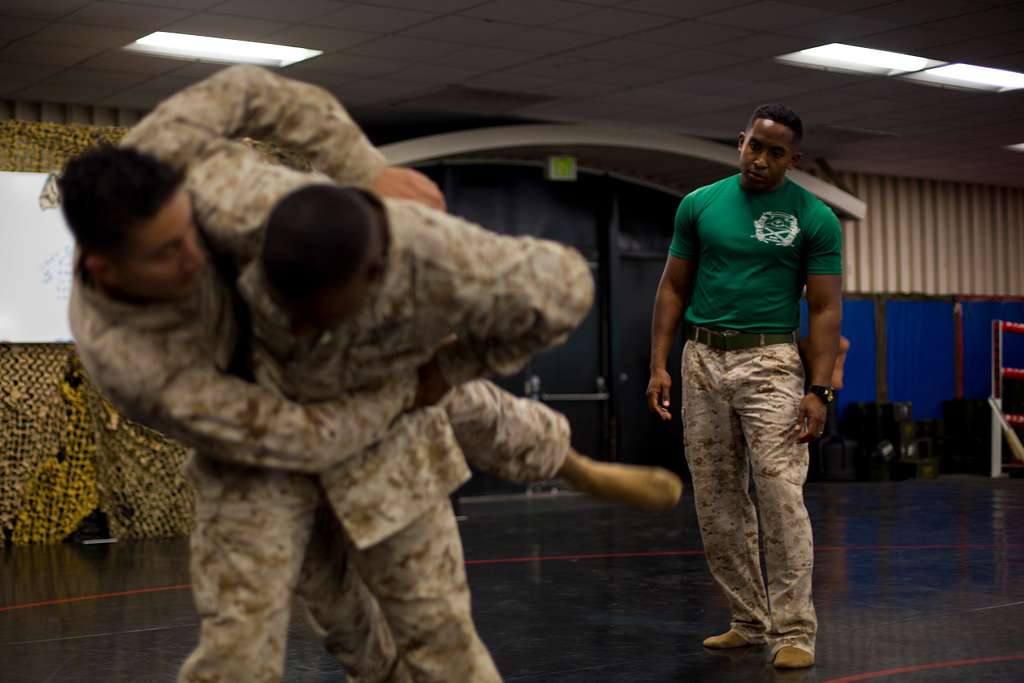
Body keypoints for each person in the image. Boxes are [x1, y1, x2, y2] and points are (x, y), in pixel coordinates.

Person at [62, 65, 681, 683]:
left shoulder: (214, 187)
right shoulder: (136, 362)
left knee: (459, 429)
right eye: (166, 253)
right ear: (105, 269)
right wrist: (404, 392)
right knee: (318, 632)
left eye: (188, 230)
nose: (192, 255)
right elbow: (299, 437)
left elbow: (251, 90)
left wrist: (362, 169)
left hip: (349, 368)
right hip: (256, 440)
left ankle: (573, 464)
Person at [646, 104, 842, 670]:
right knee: (717, 500)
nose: (761, 159)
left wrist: (820, 390)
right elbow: (672, 290)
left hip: (771, 361)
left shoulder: (814, 217)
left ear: (792, 158)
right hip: (702, 358)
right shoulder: (699, 204)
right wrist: (660, 363)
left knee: (781, 497)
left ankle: (794, 629)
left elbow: (826, 309)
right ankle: (748, 620)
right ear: (741, 142)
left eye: (775, 152)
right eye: (755, 146)